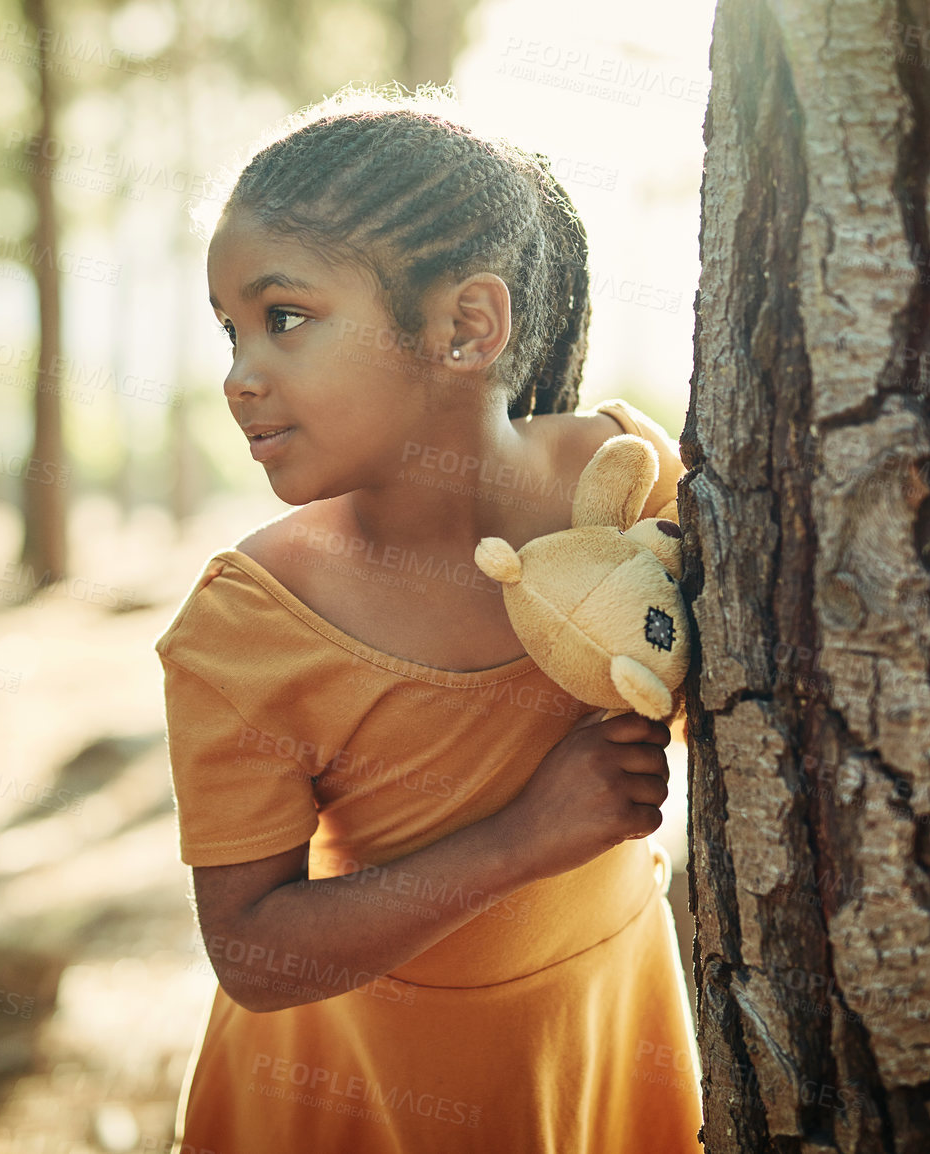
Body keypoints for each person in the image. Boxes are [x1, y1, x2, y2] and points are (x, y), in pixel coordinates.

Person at [154, 87, 703, 1154]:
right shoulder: (248, 625)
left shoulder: (633, 483)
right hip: (352, 1091)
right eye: (229, 330)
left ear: (465, 326)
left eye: (285, 318)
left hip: (603, 1036)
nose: (237, 376)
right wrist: (522, 840)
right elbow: (254, 954)